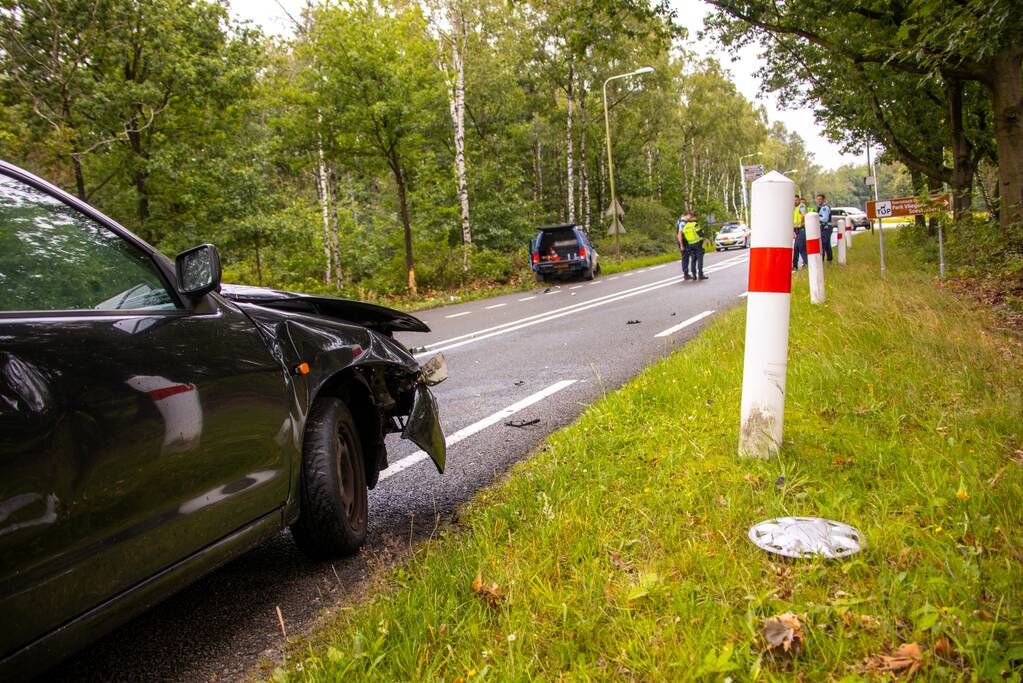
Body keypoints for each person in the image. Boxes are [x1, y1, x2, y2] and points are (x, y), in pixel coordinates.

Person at [681, 211, 707, 280]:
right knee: (699, 260)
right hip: (697, 244)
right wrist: (703, 232)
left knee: (693, 260)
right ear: (693, 218)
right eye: (695, 217)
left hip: (690, 245)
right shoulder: (695, 225)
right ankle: (700, 275)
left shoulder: (685, 226)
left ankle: (694, 275)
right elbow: (701, 234)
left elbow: (684, 235)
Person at [792, 196, 808, 271]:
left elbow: (803, 214)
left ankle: (807, 263)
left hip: (801, 229)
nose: (795, 201)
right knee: (796, 248)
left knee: (801, 247)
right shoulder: (794, 208)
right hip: (796, 230)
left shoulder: (801, 206)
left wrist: (801, 224)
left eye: (796, 200)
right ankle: (795, 265)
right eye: (794, 200)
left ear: (799, 200)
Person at [816, 193, 833, 263]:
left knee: (823, 244)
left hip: (826, 227)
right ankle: (829, 260)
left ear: (824, 199)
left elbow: (825, 219)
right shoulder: (820, 207)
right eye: (818, 199)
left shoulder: (824, 208)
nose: (819, 201)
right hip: (824, 227)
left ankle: (821, 261)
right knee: (827, 244)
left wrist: (816, 216)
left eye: (820, 199)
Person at [676, 213, 692, 279]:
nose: (690, 219)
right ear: (688, 215)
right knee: (685, 258)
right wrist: (682, 245)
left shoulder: (680, 220)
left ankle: (686, 273)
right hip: (683, 242)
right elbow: (679, 235)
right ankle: (686, 274)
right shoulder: (682, 223)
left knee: (686, 258)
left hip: (683, 242)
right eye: (690, 217)